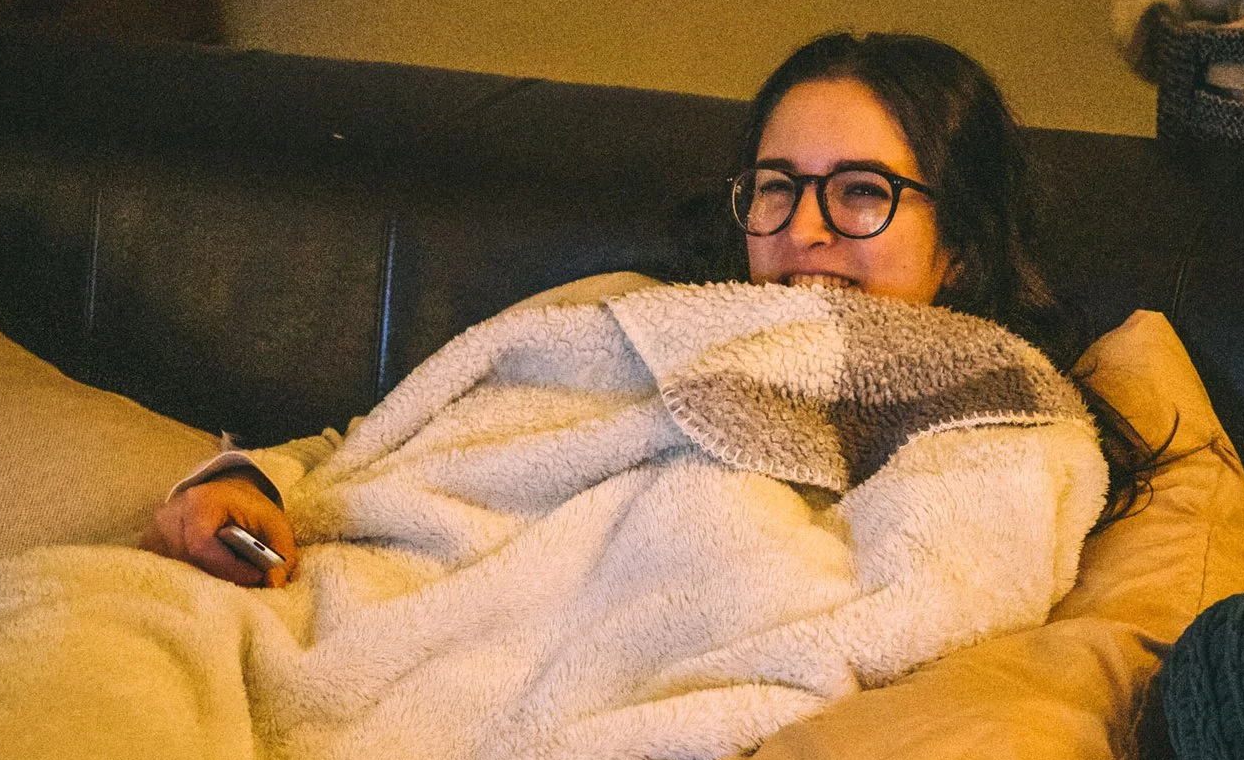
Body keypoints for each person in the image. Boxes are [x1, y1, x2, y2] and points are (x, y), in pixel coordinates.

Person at [142, 31, 1164, 584]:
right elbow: (384, 445)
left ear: (961, 245)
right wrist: (249, 481)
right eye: (777, 186)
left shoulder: (992, 416)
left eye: (862, 191)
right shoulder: (626, 317)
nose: (805, 226)